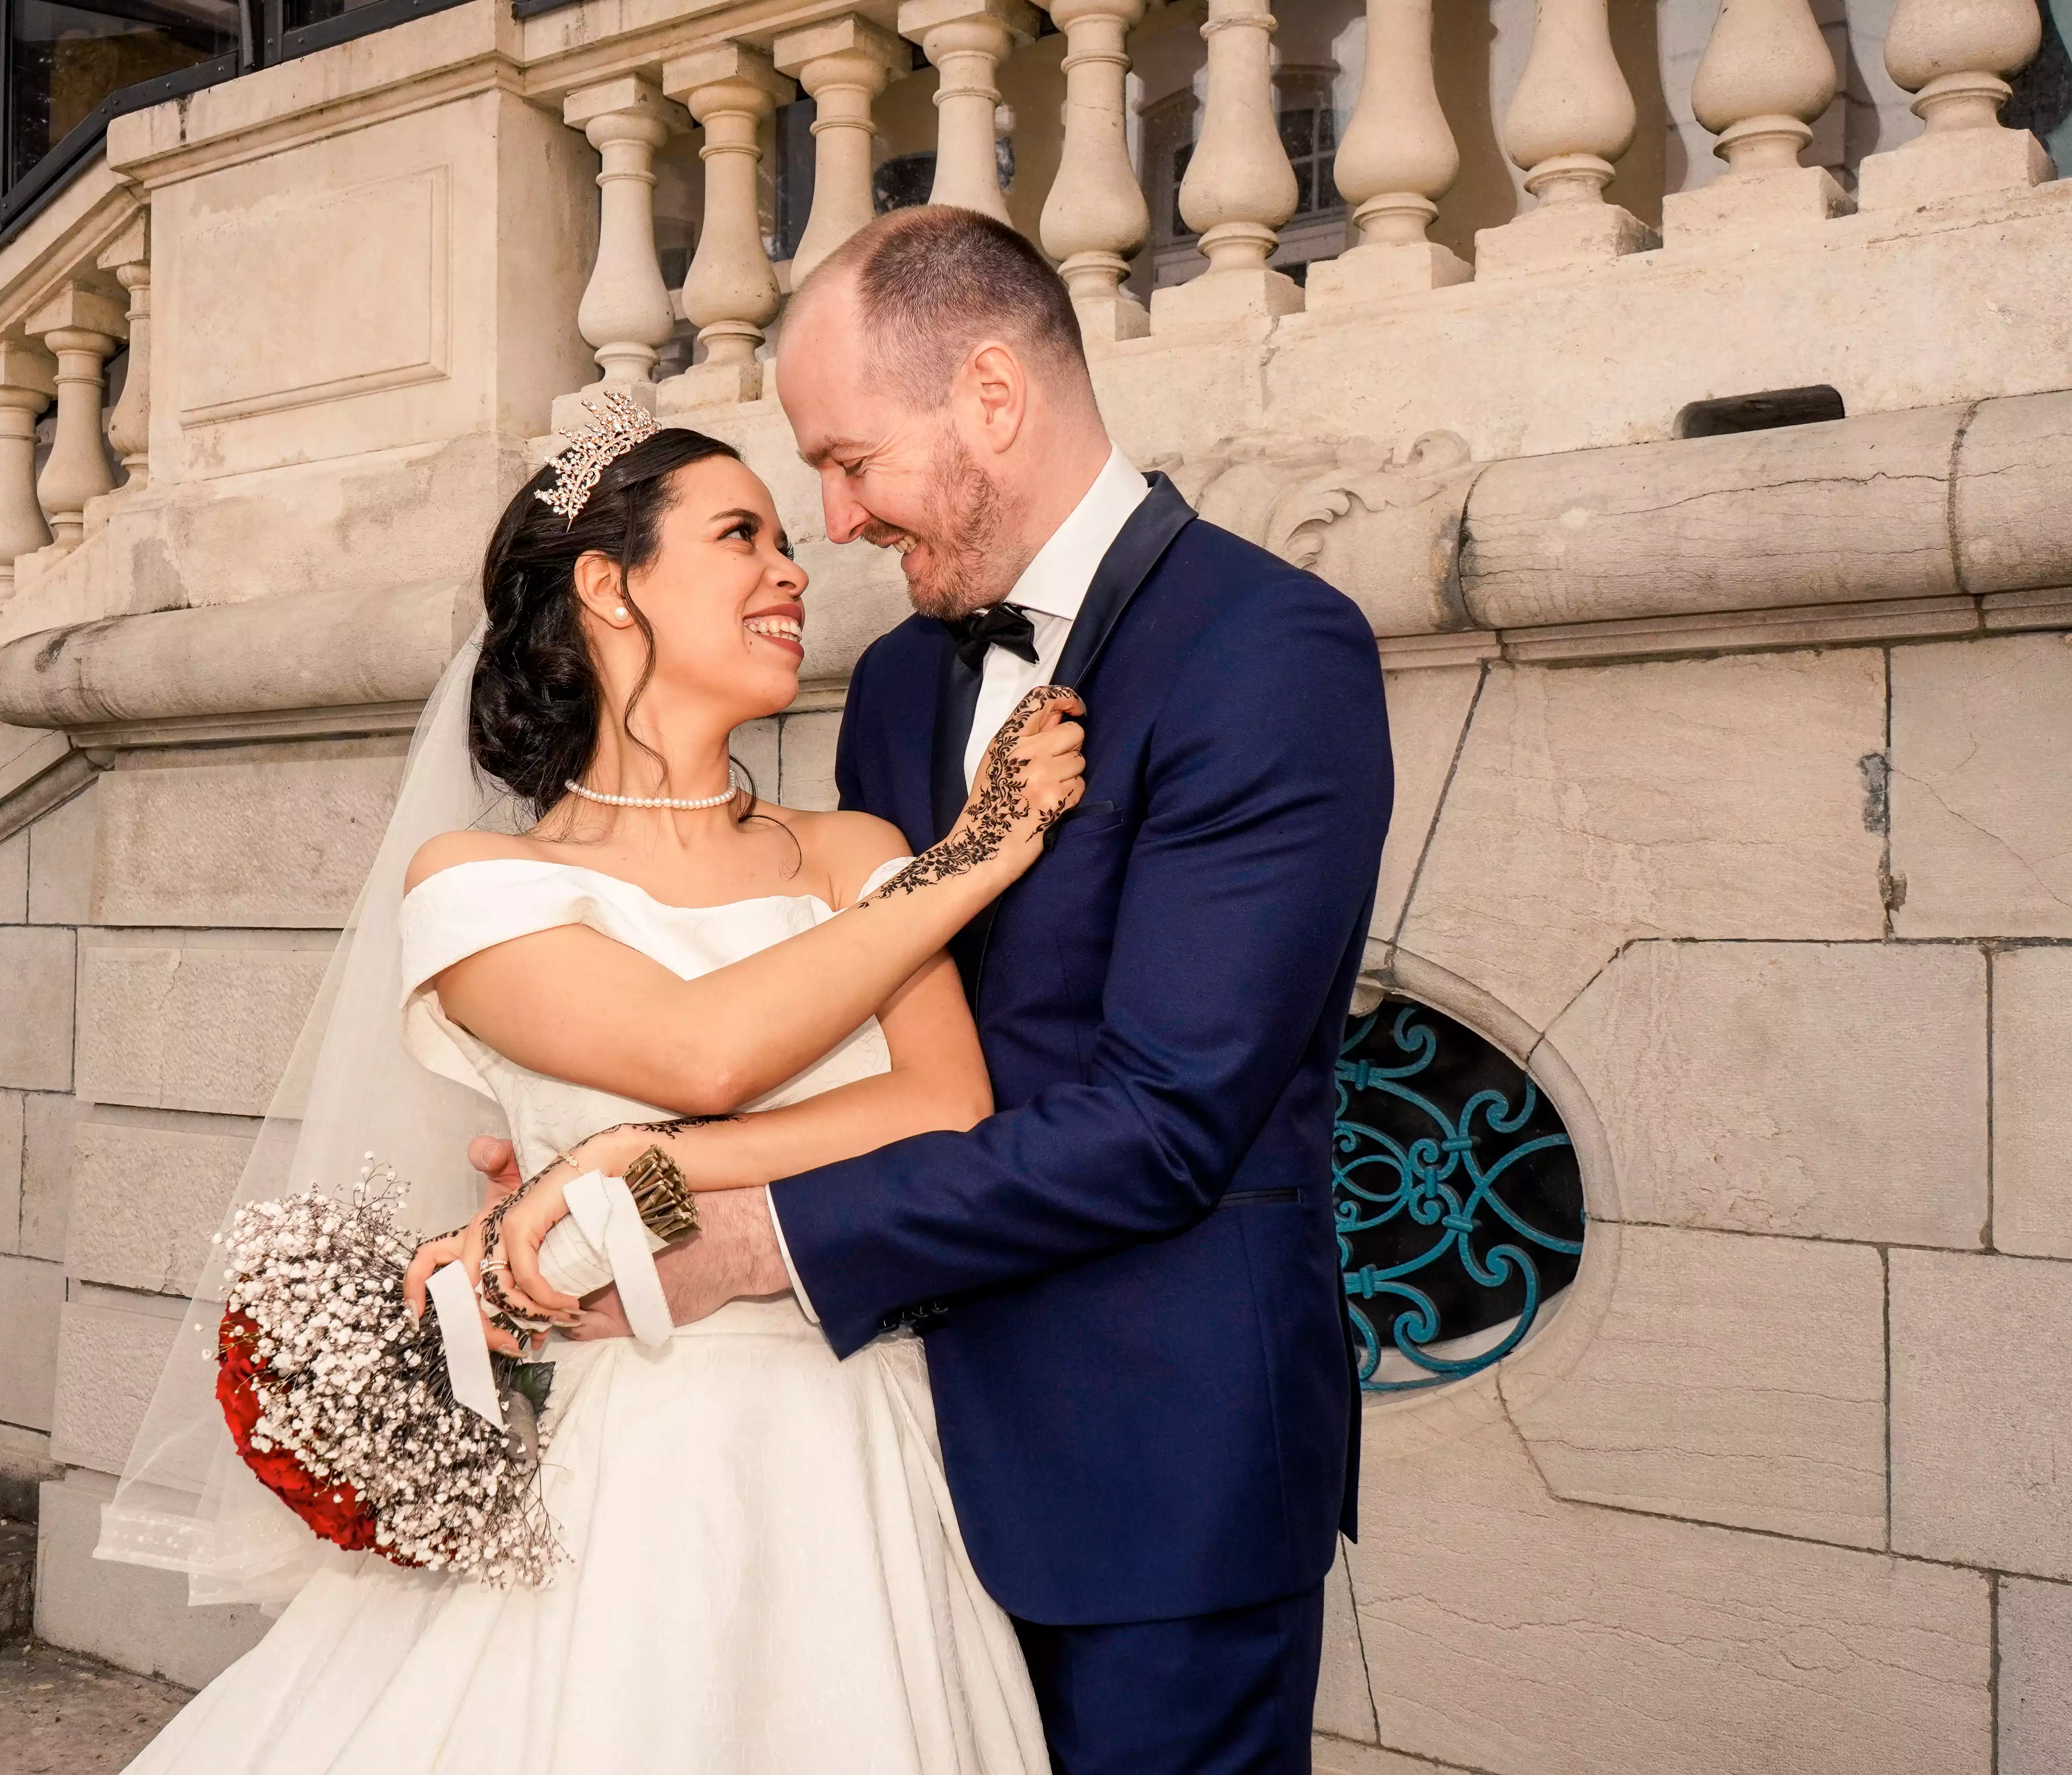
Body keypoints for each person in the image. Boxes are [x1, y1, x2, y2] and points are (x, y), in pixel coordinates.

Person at [477, 206, 1394, 1773]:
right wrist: (611, 1149)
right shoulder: (901, 684)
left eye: (847, 462)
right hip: (885, 1468)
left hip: (1152, 1473)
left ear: (989, 397)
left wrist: (750, 1243)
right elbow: (864, 1036)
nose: (830, 526)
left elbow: (1170, 1121)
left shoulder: (1271, 651)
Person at [110, 402, 1085, 1773]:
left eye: (790, 539)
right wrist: (977, 858)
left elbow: (945, 1111)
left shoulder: (848, 848)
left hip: (864, 1424)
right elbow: (705, 1055)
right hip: (641, 1450)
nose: (793, 569)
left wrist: (637, 1166)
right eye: (740, 534)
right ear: (607, 584)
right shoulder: (478, 886)